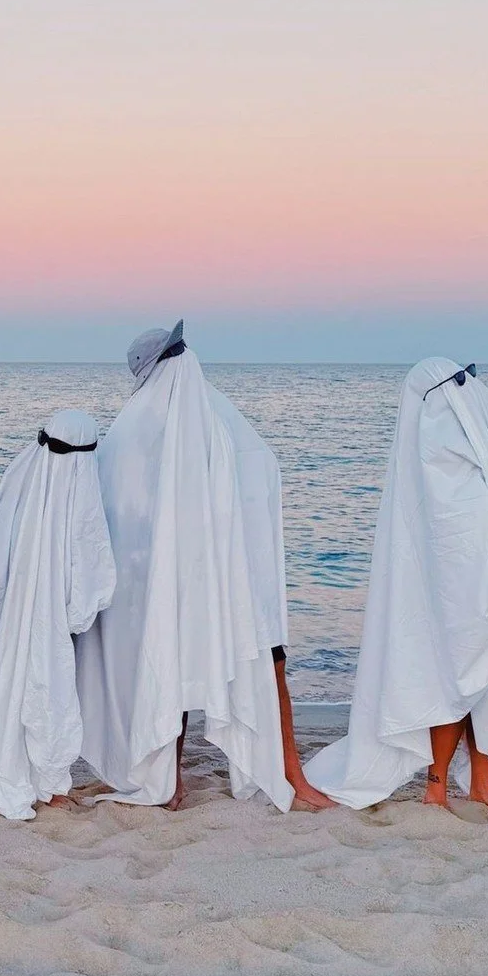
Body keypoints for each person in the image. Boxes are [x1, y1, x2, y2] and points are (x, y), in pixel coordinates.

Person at [303, 359, 488, 838]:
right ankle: (438, 786)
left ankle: (478, 783)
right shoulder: (448, 441)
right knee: (457, 682)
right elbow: (443, 528)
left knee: (482, 682)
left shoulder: (461, 439)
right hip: (461, 590)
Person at [75, 322, 294, 814]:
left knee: (163, 665)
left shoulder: (137, 425)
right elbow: (260, 489)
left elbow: (112, 509)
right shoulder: (222, 417)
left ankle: (168, 779)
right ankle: (284, 772)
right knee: (224, 666)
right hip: (220, 584)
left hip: (159, 582)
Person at [192, 347, 334, 810]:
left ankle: (291, 774)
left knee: (270, 668)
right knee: (267, 669)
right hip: (229, 582)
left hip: (236, 583)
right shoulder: (224, 423)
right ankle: (171, 784)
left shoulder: (214, 424)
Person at [0, 410, 116, 820]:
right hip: (44, 622)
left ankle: (31, 778)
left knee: (15, 688)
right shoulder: (79, 487)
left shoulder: (21, 479)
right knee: (51, 690)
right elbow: (90, 578)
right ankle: (48, 785)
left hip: (10, 619)